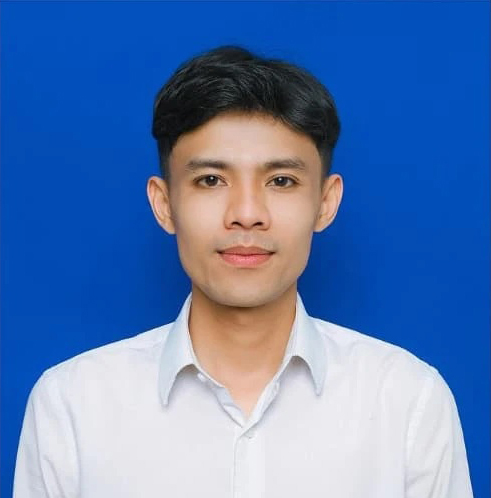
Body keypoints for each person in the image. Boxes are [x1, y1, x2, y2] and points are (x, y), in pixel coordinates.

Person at [13, 45, 473, 498]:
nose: (247, 214)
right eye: (211, 180)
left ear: (325, 202)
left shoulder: (408, 403)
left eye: (281, 181)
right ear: (164, 203)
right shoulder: (72, 407)